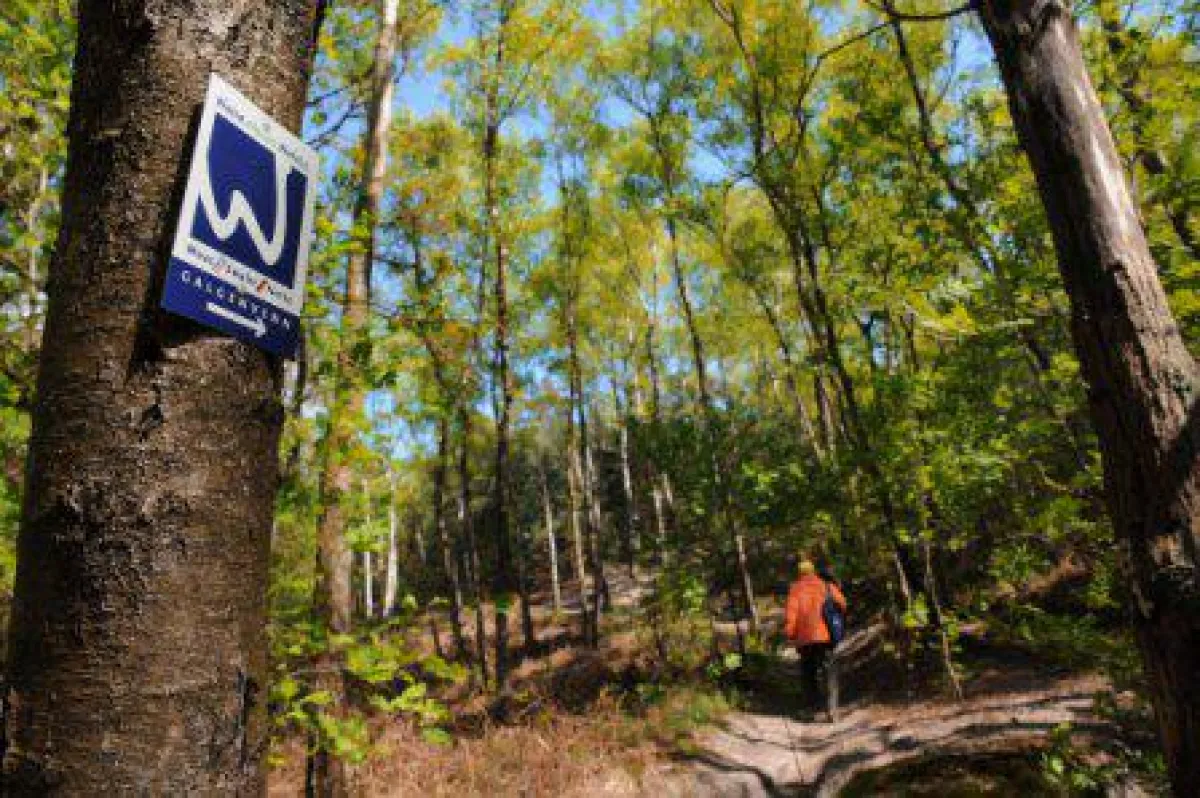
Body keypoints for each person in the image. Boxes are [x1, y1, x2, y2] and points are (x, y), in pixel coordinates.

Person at [784, 558, 847, 721]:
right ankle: (832, 709)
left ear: (799, 573)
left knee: (808, 673)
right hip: (826, 636)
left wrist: (790, 633)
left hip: (805, 639)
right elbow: (842, 603)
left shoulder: (795, 589)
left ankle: (811, 709)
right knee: (829, 672)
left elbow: (791, 614)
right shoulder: (826, 585)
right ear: (813, 571)